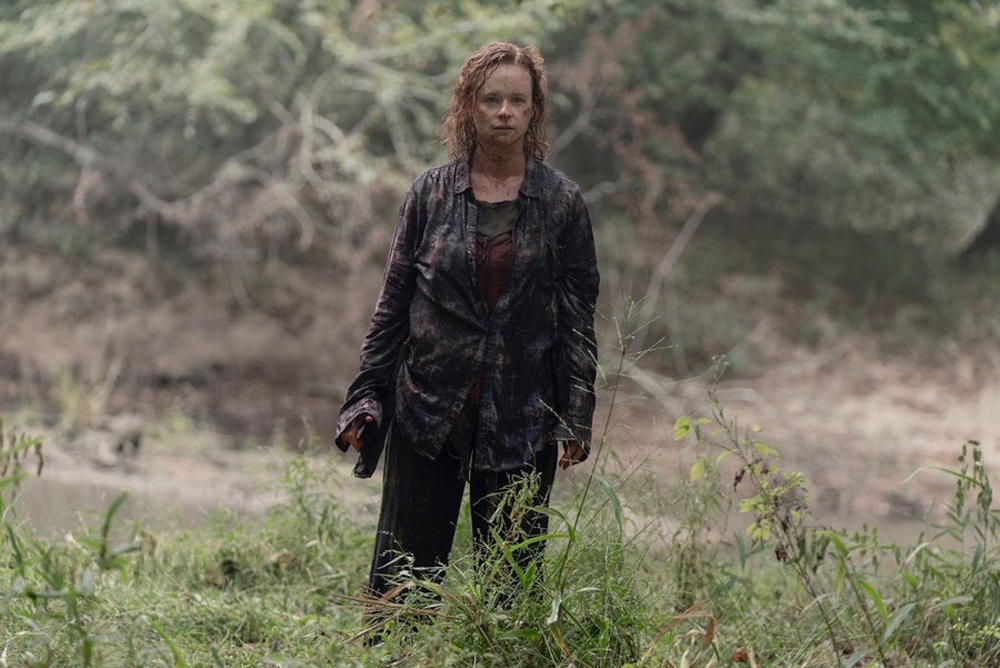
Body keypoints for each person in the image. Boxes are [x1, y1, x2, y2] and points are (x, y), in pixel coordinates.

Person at [334, 42, 599, 602]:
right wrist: (365, 398)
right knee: (403, 582)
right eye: (491, 99)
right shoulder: (429, 195)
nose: (504, 112)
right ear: (468, 107)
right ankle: (396, 647)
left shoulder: (563, 204)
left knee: (512, 589)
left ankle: (503, 646)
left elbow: (578, 320)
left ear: (534, 110)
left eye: (517, 101)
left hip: (522, 415)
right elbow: (392, 307)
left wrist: (575, 415)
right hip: (428, 408)